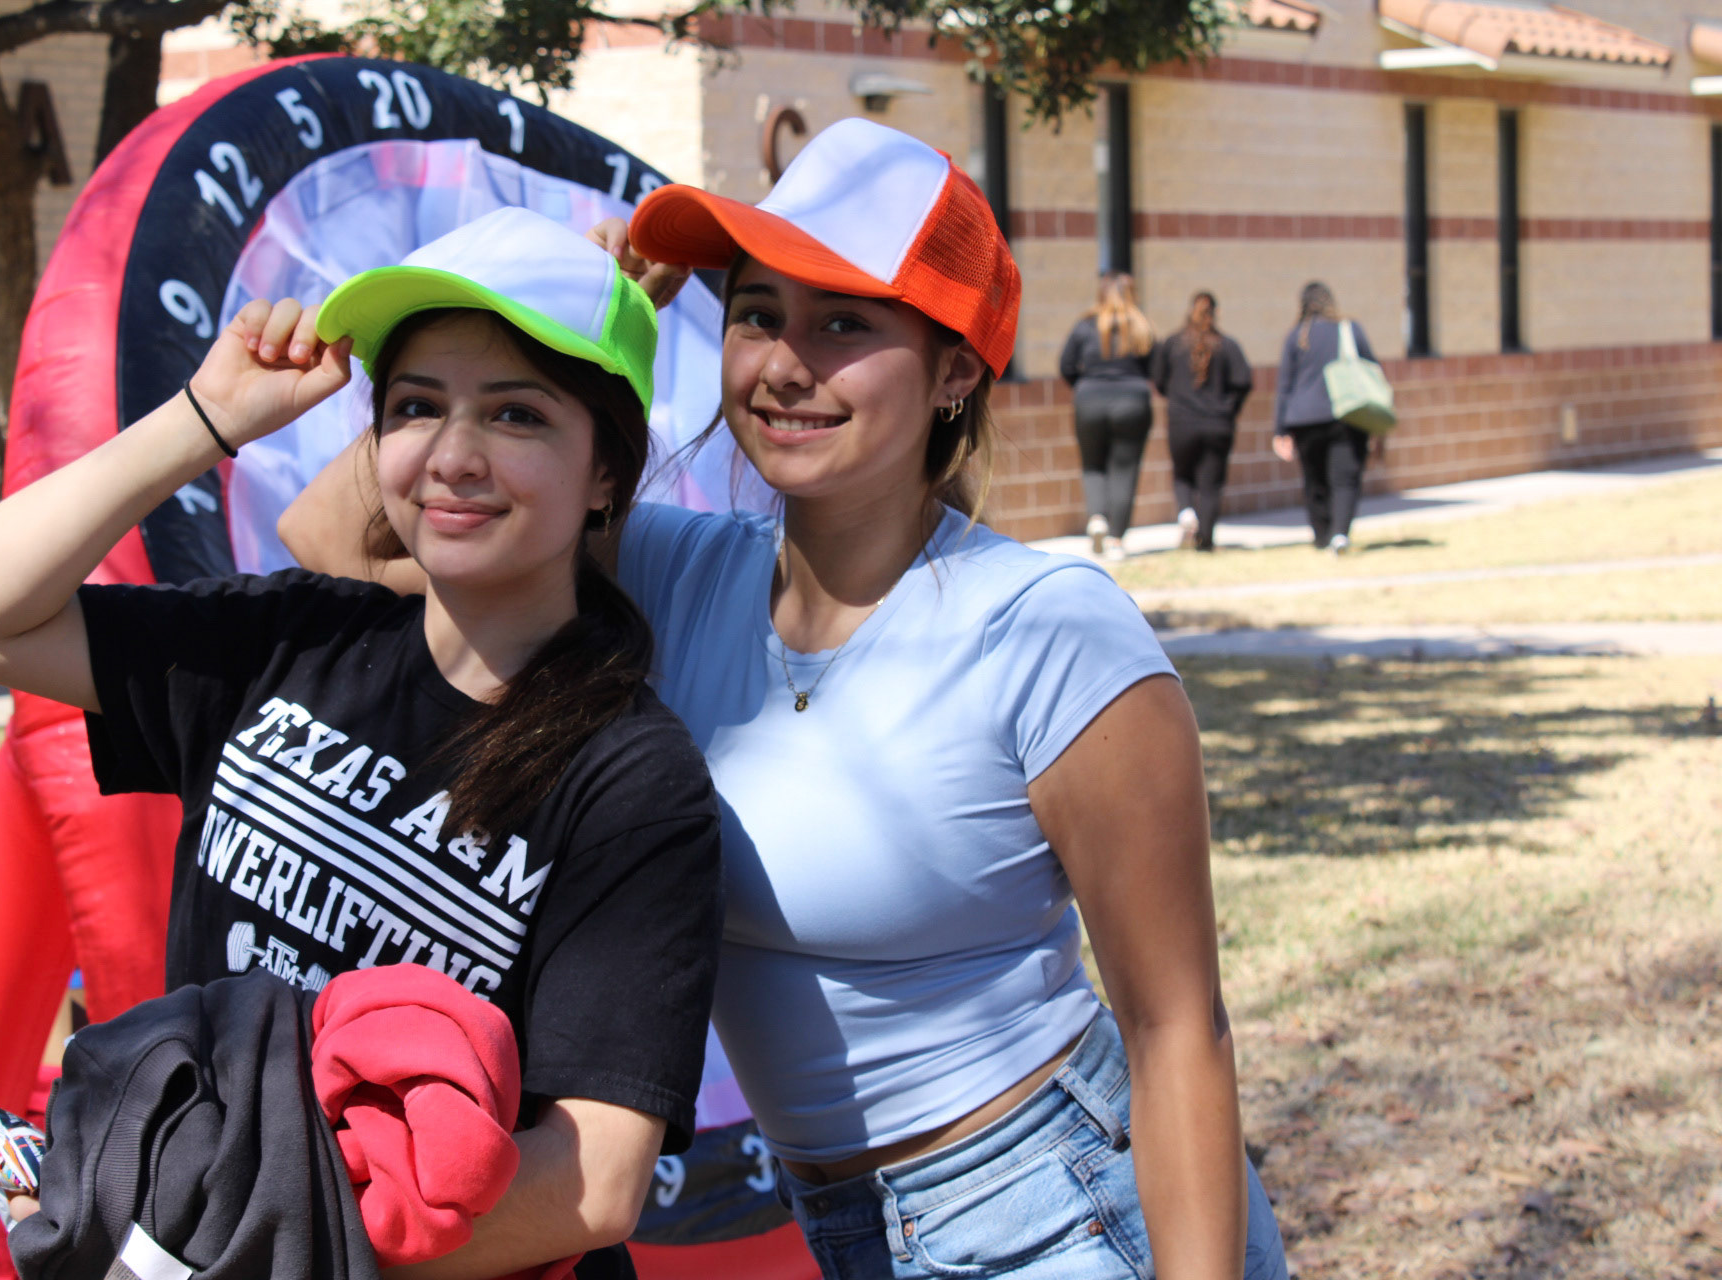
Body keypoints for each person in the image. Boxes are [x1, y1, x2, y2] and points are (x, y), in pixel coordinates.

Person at [284, 120, 1286, 1280]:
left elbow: (1177, 1028)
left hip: (1062, 1210)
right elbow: (339, 542)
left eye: (843, 323)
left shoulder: (1048, 629)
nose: (784, 365)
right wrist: (568, 324)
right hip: (847, 1230)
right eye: (757, 313)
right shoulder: (666, 571)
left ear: (956, 368)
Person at [0, 208, 724, 1280]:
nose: (453, 456)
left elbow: (593, 1180)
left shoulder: (633, 777)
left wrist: (245, 1249)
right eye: (416, 406)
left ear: (607, 471)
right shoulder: (291, 637)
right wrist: (203, 418)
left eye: (516, 414)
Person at [1273, 281, 1381, 555]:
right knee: (1344, 479)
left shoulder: (1296, 336)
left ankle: (1322, 537)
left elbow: (1284, 386)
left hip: (1304, 420)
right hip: (1346, 415)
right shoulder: (1349, 329)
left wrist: (1280, 430)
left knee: (1315, 481)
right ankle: (1339, 534)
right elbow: (1372, 370)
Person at [1058, 272, 1156, 563]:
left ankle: (1098, 518)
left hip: (1090, 400)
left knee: (1092, 465)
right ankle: (1116, 540)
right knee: (1125, 469)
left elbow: (1066, 365)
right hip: (1132, 402)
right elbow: (1156, 369)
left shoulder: (1084, 326)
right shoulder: (1142, 326)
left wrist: (1086, 387)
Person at [1151, 292, 1253, 552]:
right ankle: (1205, 541)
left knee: (1182, 475)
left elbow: (1158, 380)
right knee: (1210, 484)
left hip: (1181, 423)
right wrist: (1229, 409)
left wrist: (1177, 399)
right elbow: (1244, 381)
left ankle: (1186, 512)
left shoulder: (1173, 344)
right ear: (1216, 314)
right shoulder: (1227, 345)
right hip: (1217, 425)